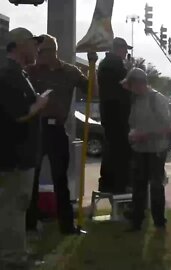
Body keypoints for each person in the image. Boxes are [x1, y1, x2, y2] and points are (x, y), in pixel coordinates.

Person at [25, 34, 94, 235]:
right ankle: (30, 224)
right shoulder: (31, 71)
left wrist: (92, 65)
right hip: (36, 129)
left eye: (41, 52)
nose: (38, 56)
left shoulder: (70, 72)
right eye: (36, 52)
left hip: (57, 131)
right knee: (32, 178)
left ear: (52, 51)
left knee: (60, 180)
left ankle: (67, 226)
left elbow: (92, 90)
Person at [0, 28, 47, 269]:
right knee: (12, 208)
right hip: (13, 158)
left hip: (19, 156)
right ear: (19, 44)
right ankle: (11, 259)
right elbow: (18, 114)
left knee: (16, 207)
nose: (38, 48)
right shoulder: (9, 73)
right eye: (34, 43)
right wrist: (39, 104)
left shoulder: (18, 73)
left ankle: (16, 254)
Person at [122, 68, 170, 231]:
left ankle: (159, 222)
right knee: (138, 186)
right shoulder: (136, 100)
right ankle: (137, 221)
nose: (130, 89)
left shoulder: (157, 99)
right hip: (139, 150)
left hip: (156, 149)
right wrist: (133, 135)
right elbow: (133, 124)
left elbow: (167, 127)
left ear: (139, 83)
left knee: (156, 185)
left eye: (131, 85)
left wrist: (146, 135)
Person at [97, 37, 133, 194]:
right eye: (125, 49)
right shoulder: (115, 64)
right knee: (120, 152)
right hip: (118, 112)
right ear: (119, 48)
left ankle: (107, 183)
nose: (126, 53)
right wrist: (130, 69)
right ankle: (118, 185)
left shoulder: (105, 64)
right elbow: (127, 85)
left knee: (110, 148)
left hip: (109, 111)